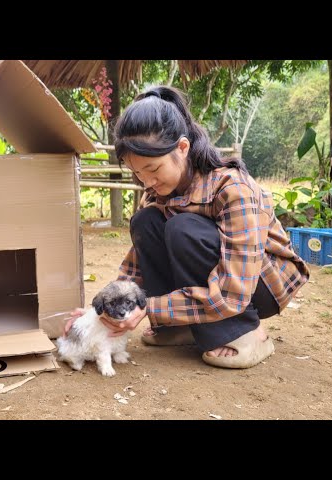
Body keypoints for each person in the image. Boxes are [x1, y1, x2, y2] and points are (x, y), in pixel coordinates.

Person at [66, 86, 310, 369]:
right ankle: (179, 328)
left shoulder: (233, 188)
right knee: (146, 222)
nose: (146, 182)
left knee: (182, 229)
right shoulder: (157, 193)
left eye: (153, 169)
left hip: (259, 285)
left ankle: (245, 332)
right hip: (223, 282)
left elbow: (235, 291)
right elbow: (136, 267)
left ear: (182, 148)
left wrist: (147, 308)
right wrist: (97, 312)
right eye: (137, 173)